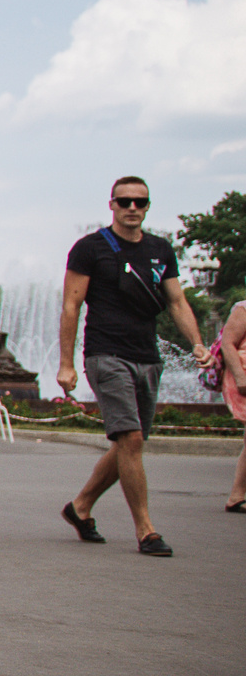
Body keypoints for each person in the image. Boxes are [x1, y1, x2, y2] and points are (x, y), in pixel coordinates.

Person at [58, 175, 210, 556]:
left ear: (147, 207)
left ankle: (80, 507)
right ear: (111, 205)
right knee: (131, 439)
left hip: (147, 357)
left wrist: (197, 343)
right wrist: (66, 363)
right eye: (124, 201)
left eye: (139, 202)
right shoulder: (89, 249)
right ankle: (146, 530)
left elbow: (176, 301)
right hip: (105, 354)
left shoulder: (160, 249)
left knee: (130, 441)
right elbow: (71, 306)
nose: (131, 208)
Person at [218, 299, 245, 514]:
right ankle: (236, 496)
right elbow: (228, 343)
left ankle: (237, 496)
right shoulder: (243, 308)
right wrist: (240, 377)